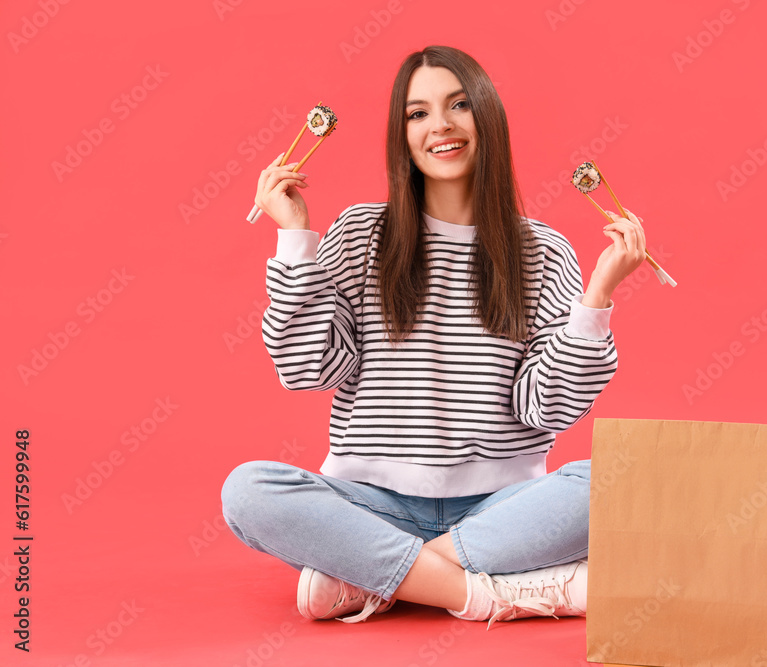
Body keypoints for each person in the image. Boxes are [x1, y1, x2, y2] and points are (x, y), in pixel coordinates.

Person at [220, 45, 648, 629]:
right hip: (370, 502)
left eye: (459, 105)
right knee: (248, 491)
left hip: (502, 506)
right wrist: (296, 239)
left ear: (487, 118)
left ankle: (373, 577)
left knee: (621, 480)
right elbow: (307, 370)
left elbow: (546, 405)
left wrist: (595, 298)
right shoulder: (361, 232)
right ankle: (489, 594)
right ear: (402, 135)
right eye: (417, 114)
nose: (440, 125)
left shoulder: (542, 250)